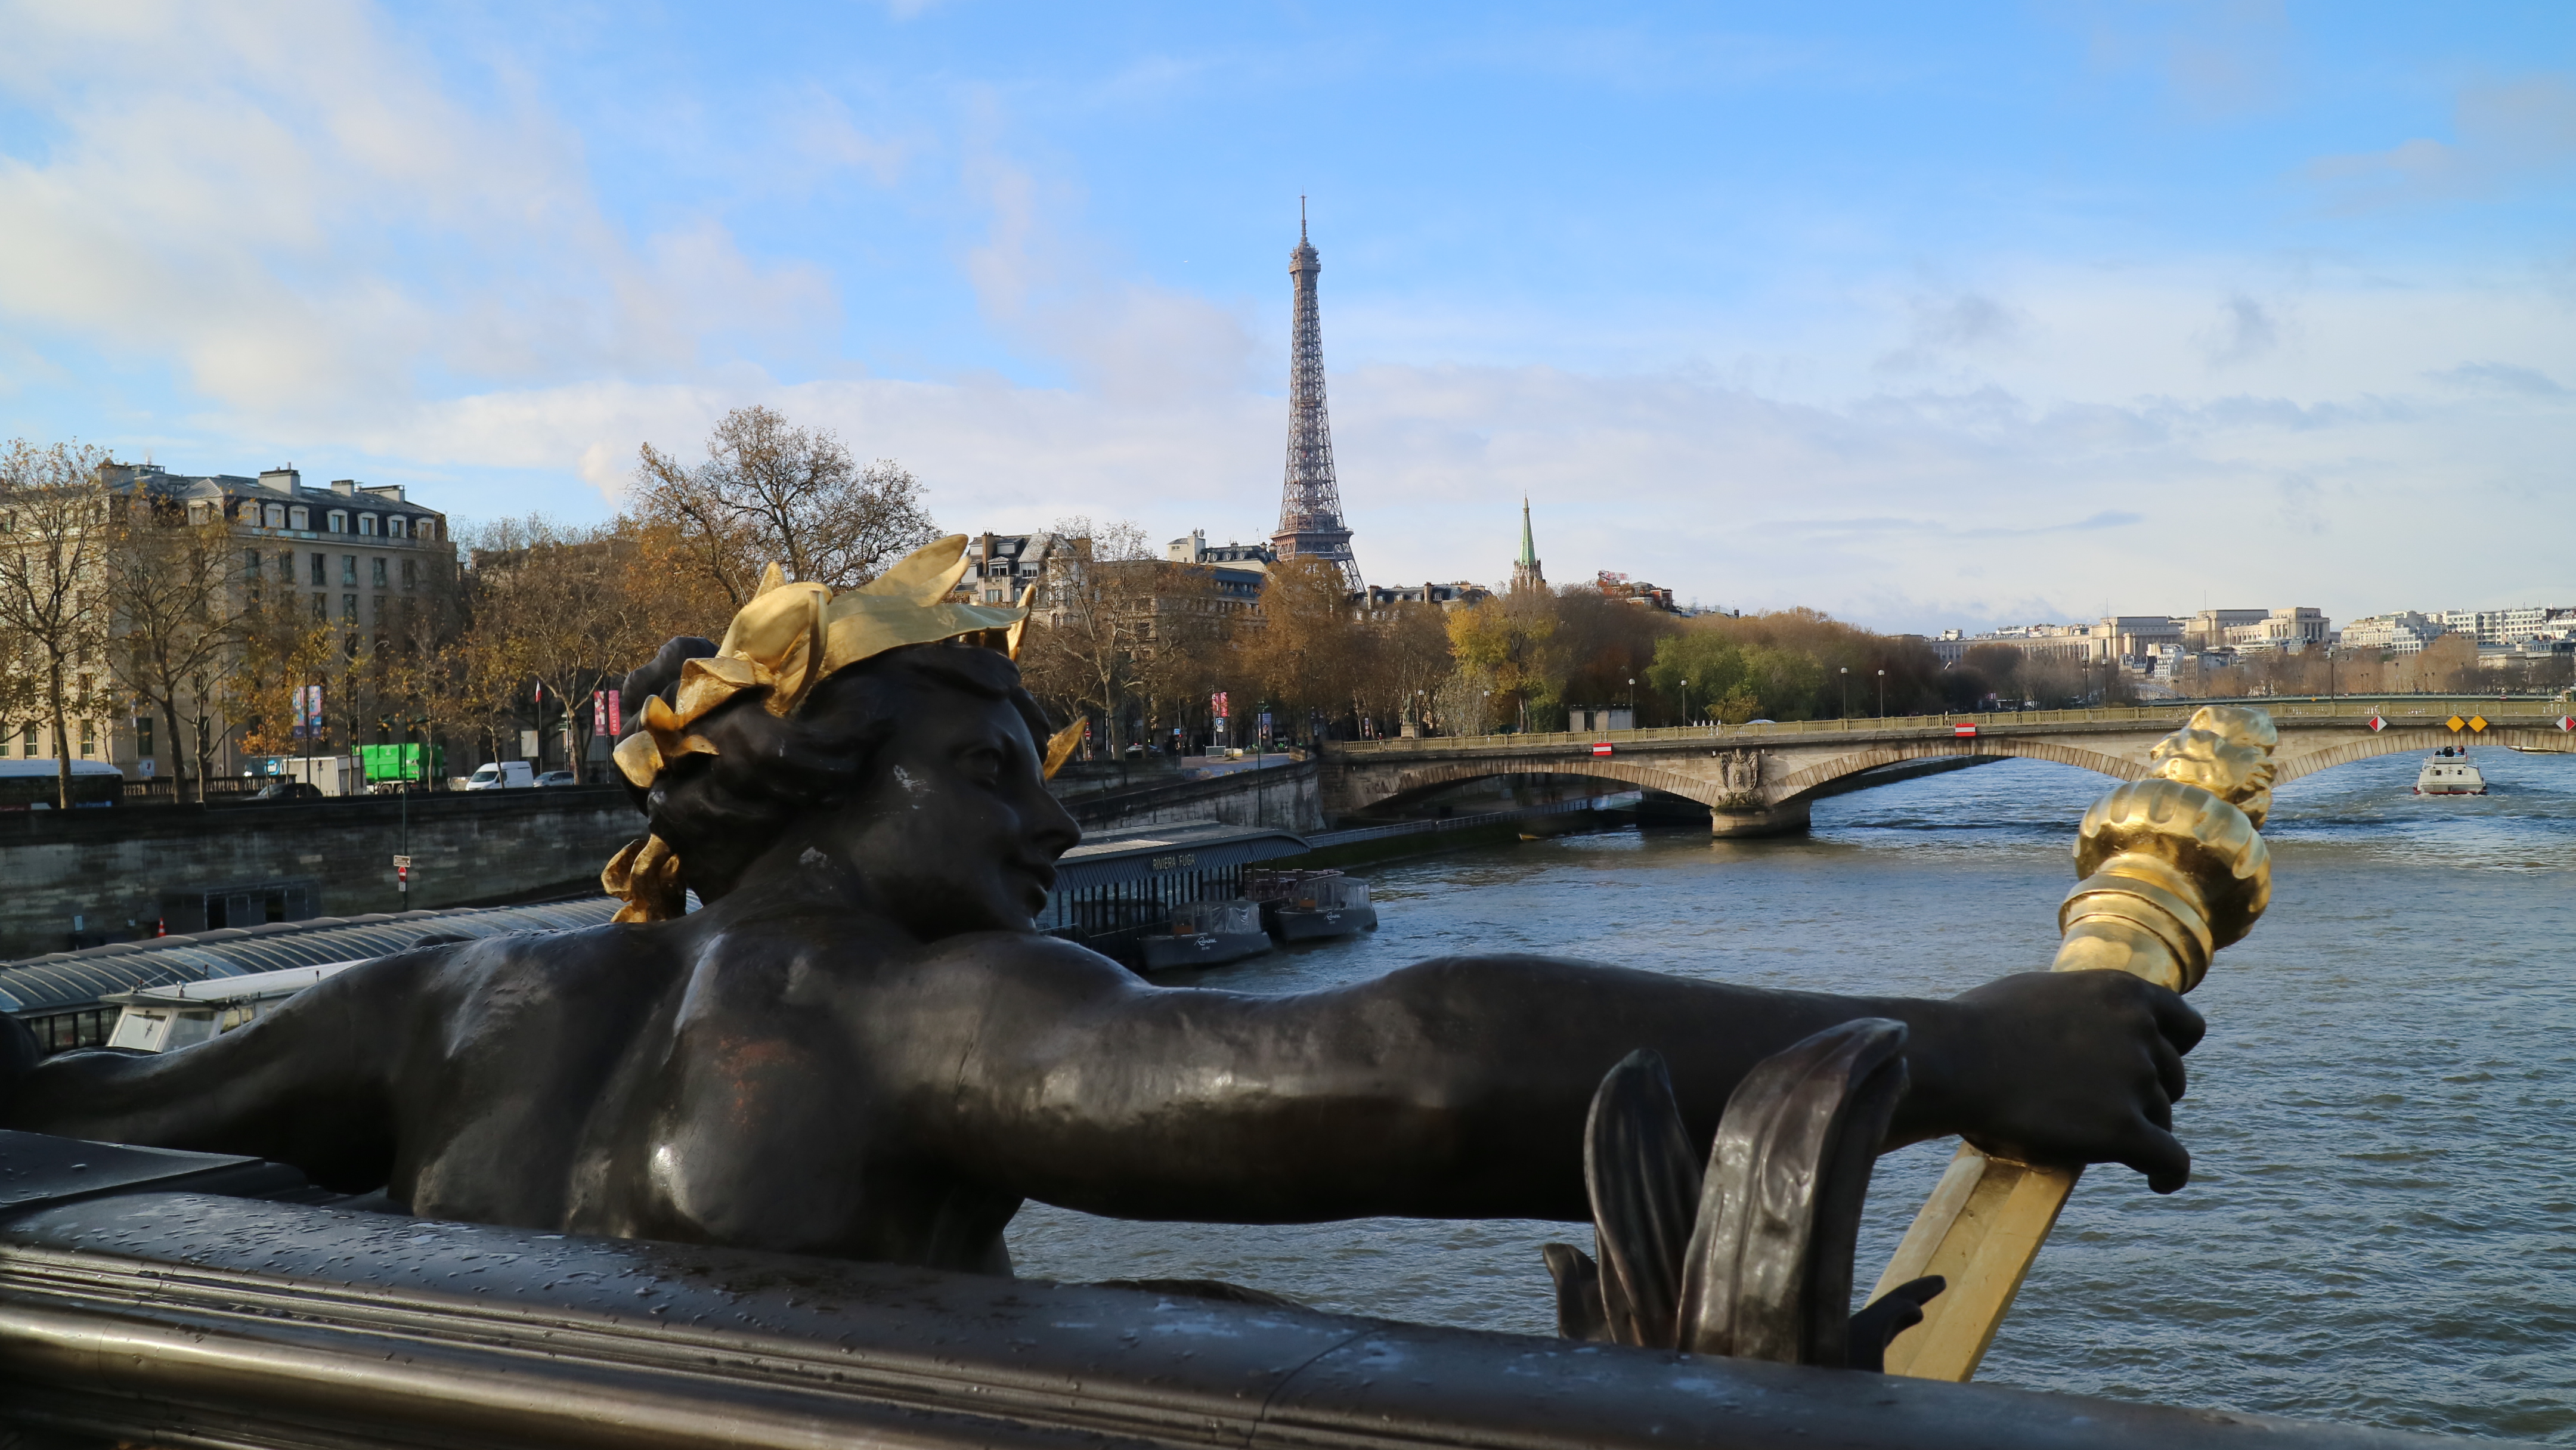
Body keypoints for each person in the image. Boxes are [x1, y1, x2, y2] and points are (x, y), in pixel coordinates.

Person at [0, 543, 2202, 1276]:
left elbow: (92, 1126)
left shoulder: (452, 994)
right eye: (996, 769)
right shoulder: (904, 1011)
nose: (1054, 818)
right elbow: (1404, 1067)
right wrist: (1959, 1050)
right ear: (828, 778)